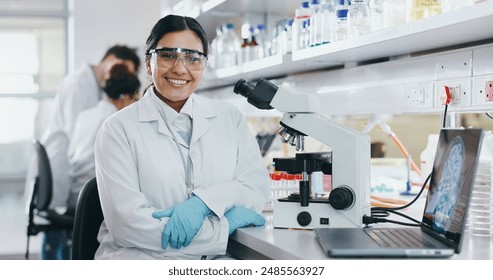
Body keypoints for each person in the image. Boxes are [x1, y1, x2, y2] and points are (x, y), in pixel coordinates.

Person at [93, 14, 269, 260]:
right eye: (168, 55)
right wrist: (222, 230)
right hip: (141, 258)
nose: (179, 67)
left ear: (204, 65)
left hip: (214, 261)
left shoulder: (229, 118)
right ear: (148, 62)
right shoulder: (117, 129)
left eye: (192, 57)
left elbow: (255, 189)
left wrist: (204, 203)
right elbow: (127, 226)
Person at [25, 45, 141, 260]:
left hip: (71, 172)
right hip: (67, 174)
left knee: (60, 238)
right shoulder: (81, 84)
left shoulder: (91, 111)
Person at [67, 64, 141, 213]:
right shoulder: (115, 122)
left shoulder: (86, 115)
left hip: (75, 191)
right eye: (136, 99)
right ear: (126, 98)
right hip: (93, 197)